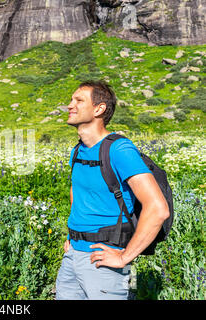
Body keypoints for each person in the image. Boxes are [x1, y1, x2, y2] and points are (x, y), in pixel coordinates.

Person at [55, 80, 170, 300]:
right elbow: (77, 193)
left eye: (79, 100)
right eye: (71, 100)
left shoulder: (119, 149)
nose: (70, 105)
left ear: (99, 109)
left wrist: (124, 257)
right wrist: (74, 234)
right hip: (72, 256)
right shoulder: (77, 151)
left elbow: (157, 208)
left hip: (105, 260)